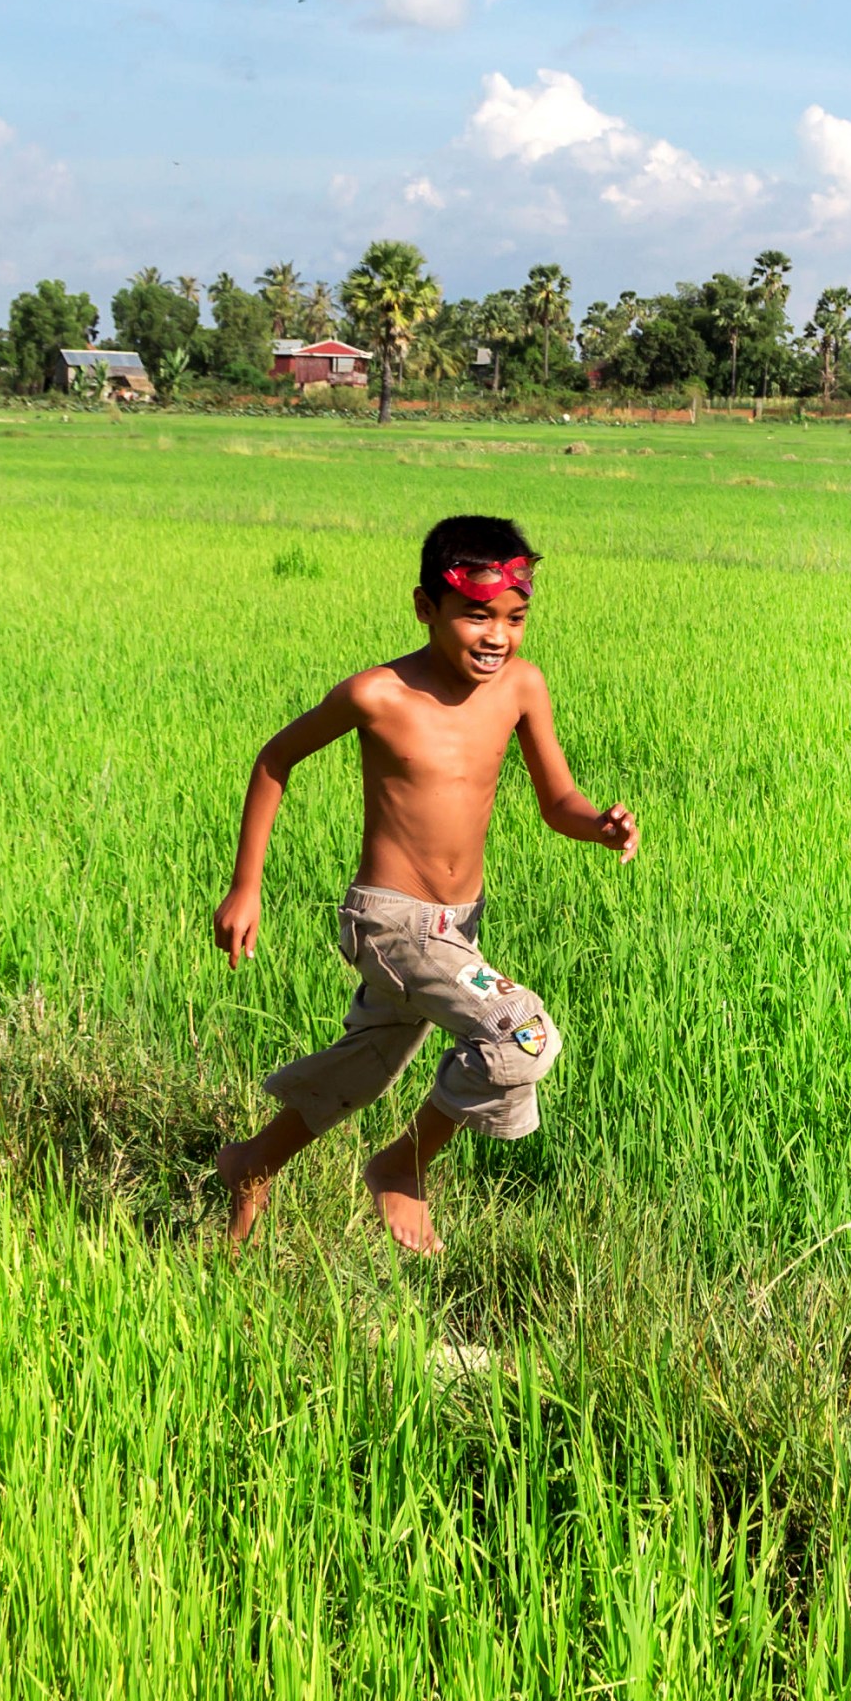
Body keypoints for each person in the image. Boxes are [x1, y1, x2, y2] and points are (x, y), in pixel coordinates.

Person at [212, 513, 636, 1253]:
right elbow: (275, 759)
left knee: (364, 1068)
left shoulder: (522, 688)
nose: (497, 635)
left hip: (457, 924)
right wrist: (247, 886)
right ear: (425, 608)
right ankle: (403, 1163)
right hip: (391, 924)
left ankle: (253, 1162)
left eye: (514, 616)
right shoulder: (378, 695)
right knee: (524, 1031)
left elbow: (554, 800)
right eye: (477, 614)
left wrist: (597, 822)